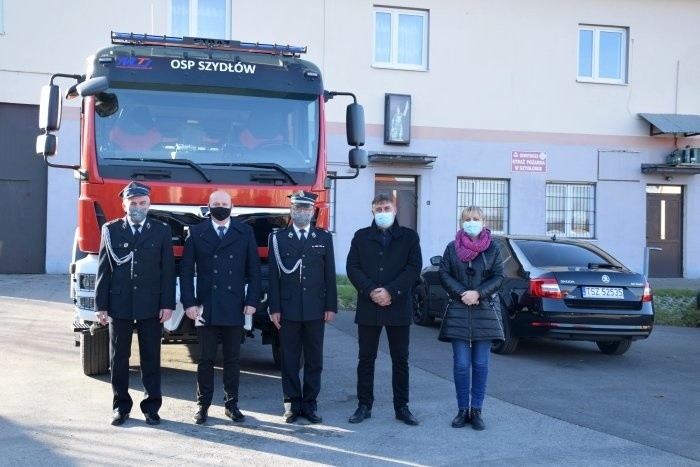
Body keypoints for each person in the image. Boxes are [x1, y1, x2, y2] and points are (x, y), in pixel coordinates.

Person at [95, 181, 176, 426]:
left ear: (149, 205)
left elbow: (167, 271)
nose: (137, 207)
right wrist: (101, 305)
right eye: (133, 203)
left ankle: (151, 407)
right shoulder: (111, 230)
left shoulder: (161, 230)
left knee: (151, 356)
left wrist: (167, 303)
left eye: (142, 203)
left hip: (151, 303)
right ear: (124, 204)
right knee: (118, 357)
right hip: (119, 302)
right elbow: (103, 269)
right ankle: (121, 406)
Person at [179, 190, 262, 425]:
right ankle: (202, 405)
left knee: (233, 359)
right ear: (208, 206)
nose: (220, 207)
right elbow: (186, 271)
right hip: (206, 306)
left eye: (224, 203)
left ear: (232, 206)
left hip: (235, 304)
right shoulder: (196, 233)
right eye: (216, 203)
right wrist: (189, 302)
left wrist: (252, 301)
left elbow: (254, 271)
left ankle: (231, 404)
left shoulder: (245, 232)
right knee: (205, 359)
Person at [345, 193, 422, 426]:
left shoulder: (409, 237)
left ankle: (402, 407)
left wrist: (390, 291)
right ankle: (364, 405)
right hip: (369, 306)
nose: (382, 213)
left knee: (401, 359)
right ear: (372, 212)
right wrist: (371, 291)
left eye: (386, 208)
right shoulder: (361, 237)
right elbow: (353, 267)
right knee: (366, 359)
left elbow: (413, 268)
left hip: (398, 307)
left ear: (395, 209)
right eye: (378, 209)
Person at [267, 190, 337, 424]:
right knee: (289, 359)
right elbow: (274, 278)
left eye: (306, 209)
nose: (301, 212)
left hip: (316, 309)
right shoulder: (277, 239)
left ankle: (310, 404)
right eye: (297, 208)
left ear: (313, 211)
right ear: (291, 211)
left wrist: (331, 306)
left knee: (314, 359)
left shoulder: (323, 238)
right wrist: (274, 308)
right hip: (288, 310)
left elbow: (329, 276)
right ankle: (291, 403)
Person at [438, 206, 505, 431]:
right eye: (467, 219)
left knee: (480, 363)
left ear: (483, 222)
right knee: (461, 364)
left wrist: (478, 293)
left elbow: (498, 276)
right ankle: (461, 410)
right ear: (461, 222)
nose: (472, 222)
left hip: (484, 310)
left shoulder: (493, 248)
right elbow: (444, 274)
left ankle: (476, 410)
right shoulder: (451, 248)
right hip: (458, 310)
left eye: (476, 218)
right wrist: (462, 294)